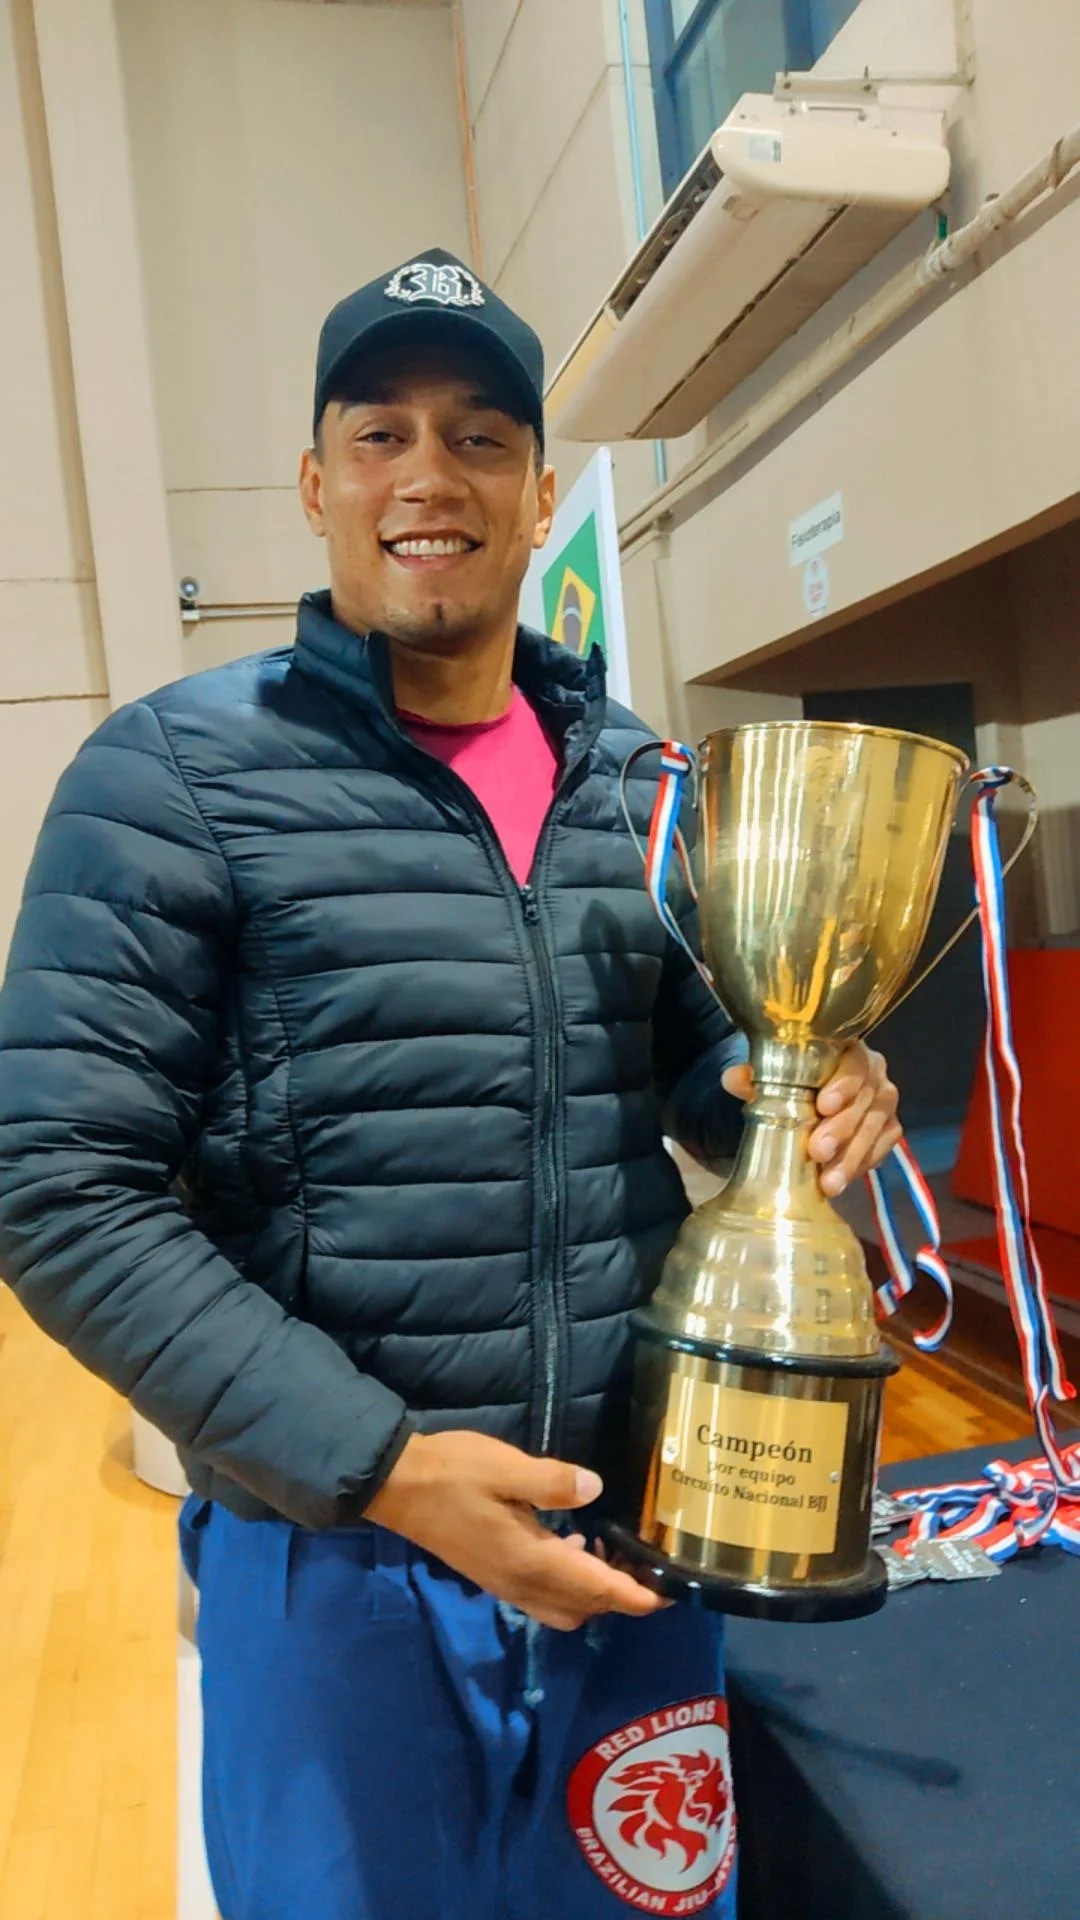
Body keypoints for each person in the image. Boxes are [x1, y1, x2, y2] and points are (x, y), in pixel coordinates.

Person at [0, 249, 901, 1919]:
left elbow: (689, 1059)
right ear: (315, 484)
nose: (430, 475)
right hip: (342, 1553)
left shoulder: (640, 778)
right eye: (381, 433)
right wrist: (394, 1471)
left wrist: (798, 1084)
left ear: (541, 492)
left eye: (481, 437)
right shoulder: (172, 775)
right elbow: (57, 1191)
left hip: (634, 1538)